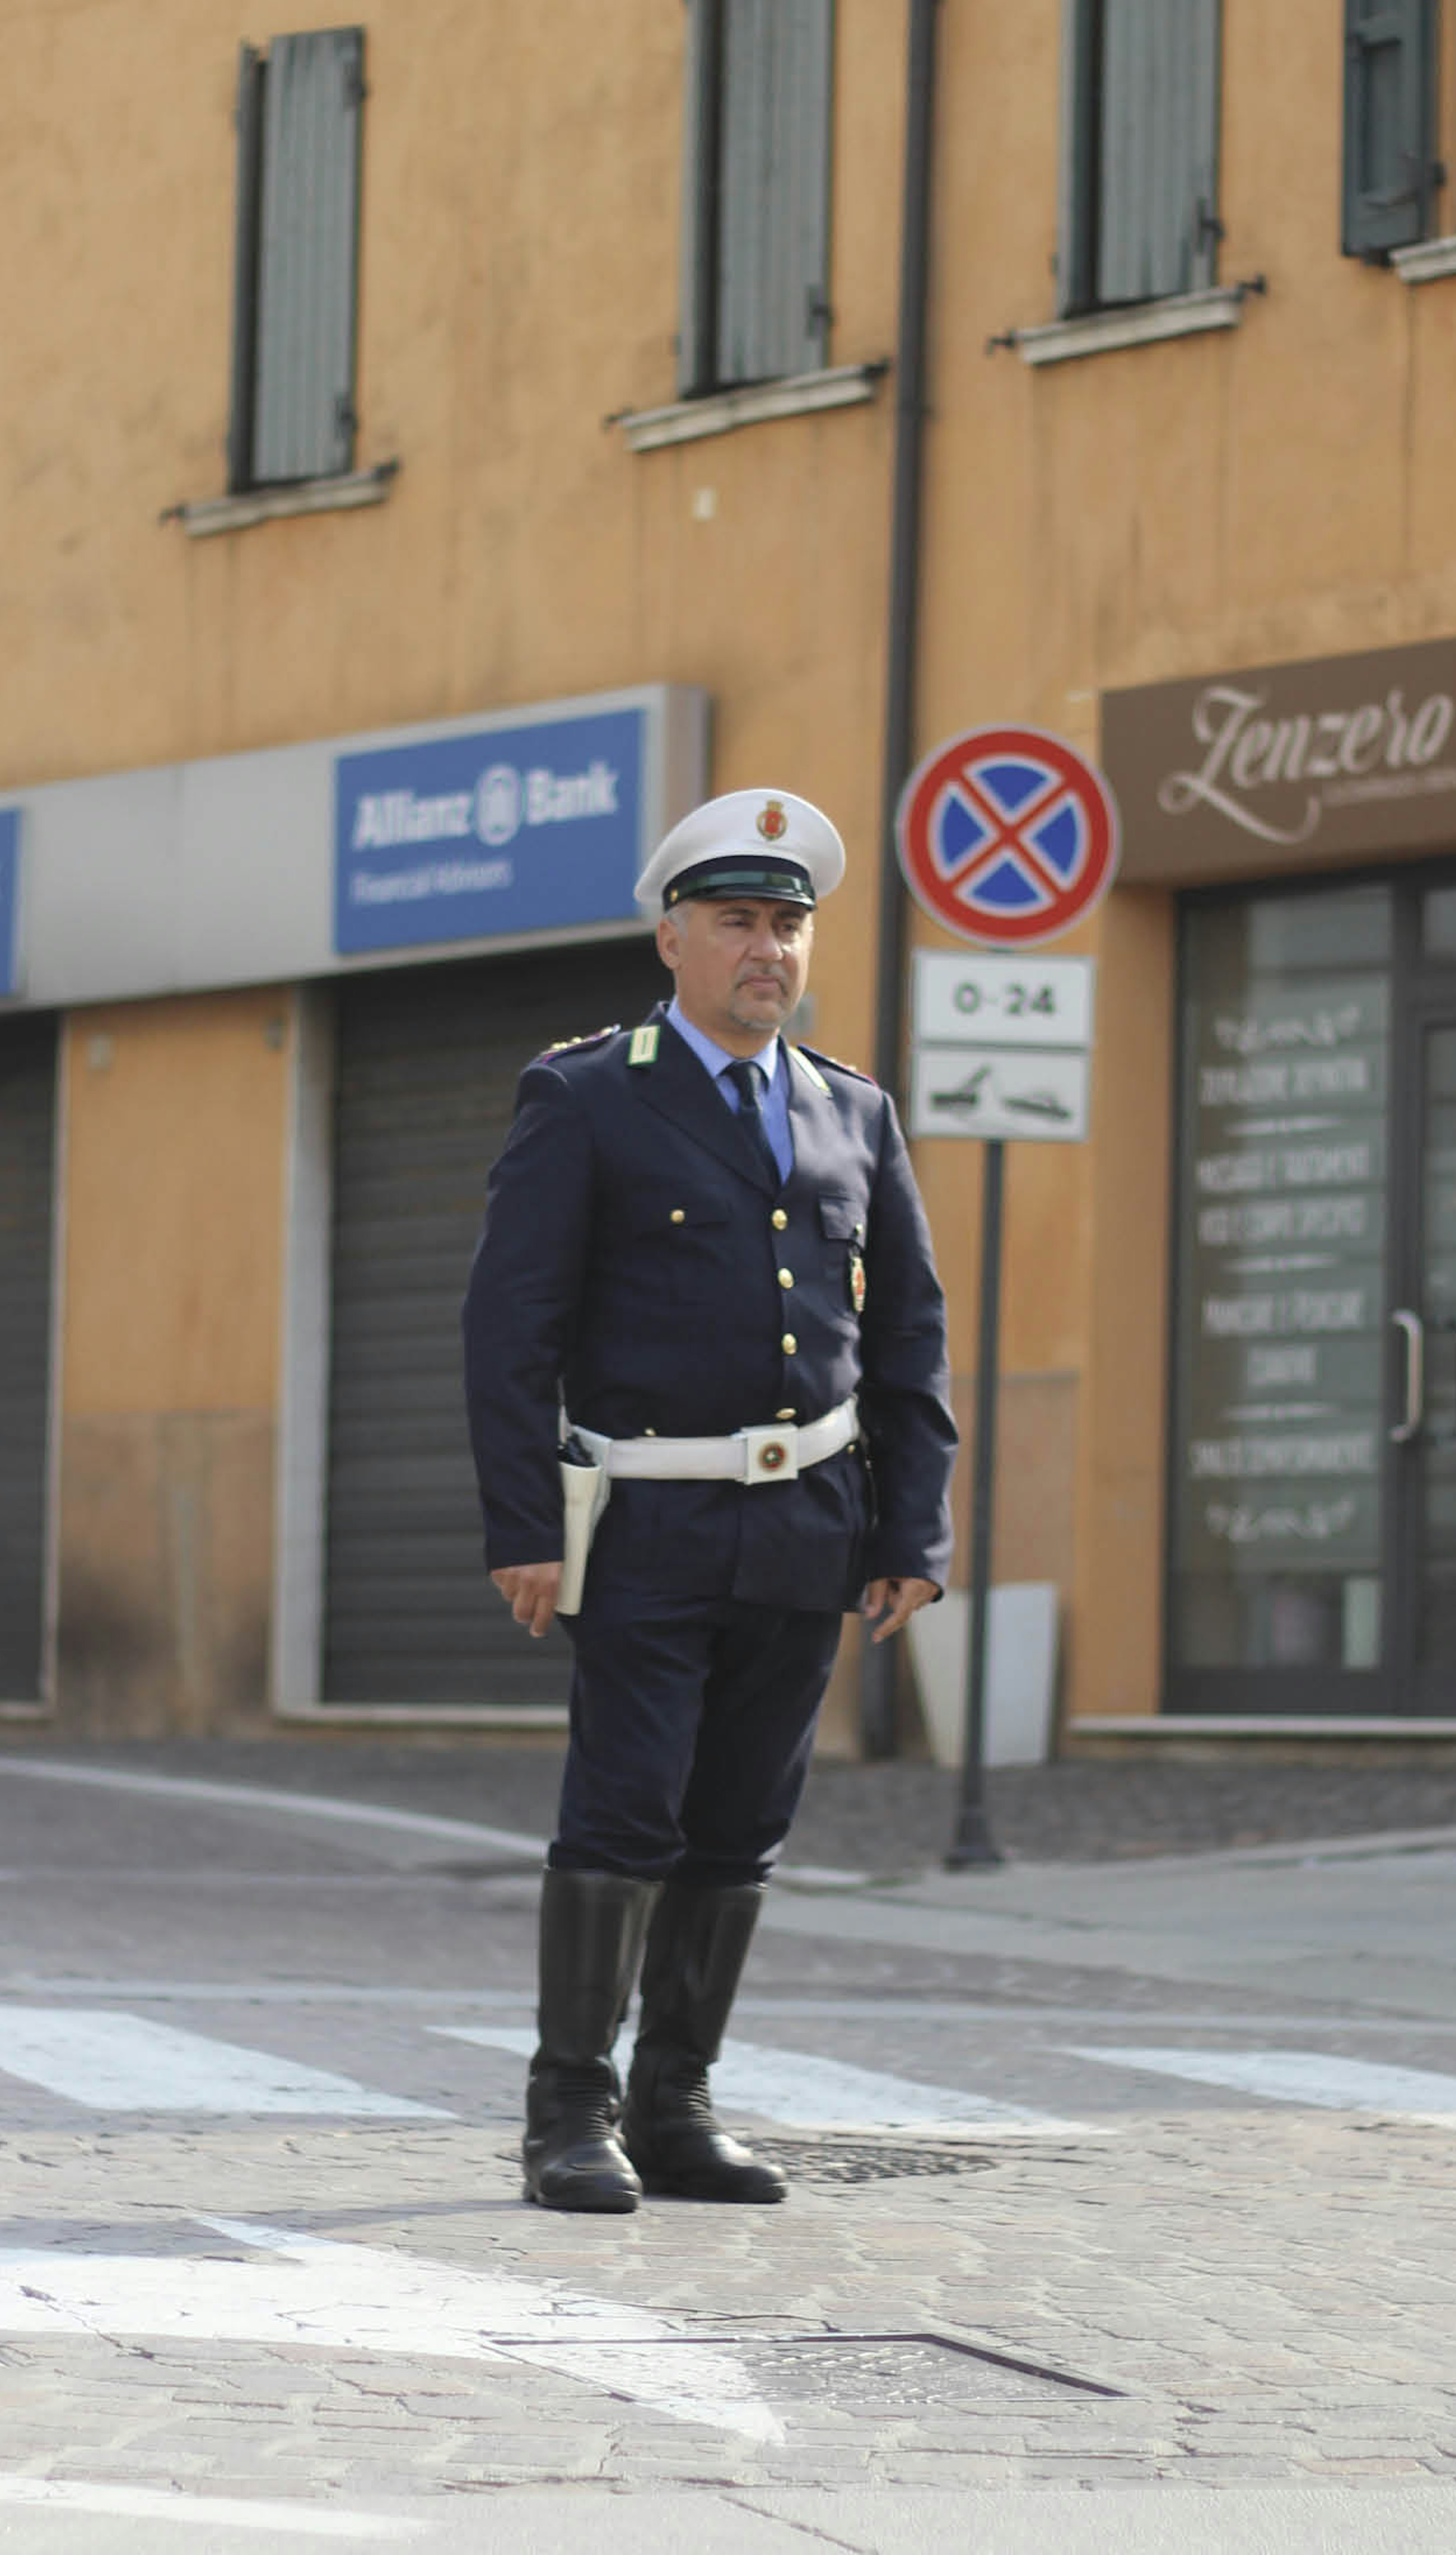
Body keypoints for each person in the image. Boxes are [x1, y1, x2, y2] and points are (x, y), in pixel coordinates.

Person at [462, 788, 956, 2214]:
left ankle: (677, 2104)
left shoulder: (851, 1110)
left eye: (789, 925)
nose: (768, 951)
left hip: (809, 1528)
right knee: (624, 1815)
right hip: (648, 1524)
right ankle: (570, 2114)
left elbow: (908, 1334)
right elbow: (512, 1333)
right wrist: (523, 1532)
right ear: (672, 938)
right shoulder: (588, 1093)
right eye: (738, 922)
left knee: (742, 1826)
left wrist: (910, 1530)